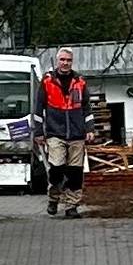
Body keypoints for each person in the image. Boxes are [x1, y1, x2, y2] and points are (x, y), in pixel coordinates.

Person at [36, 48, 91, 218]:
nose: (65, 63)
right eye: (62, 60)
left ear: (72, 62)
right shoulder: (47, 82)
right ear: (57, 60)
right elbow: (38, 108)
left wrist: (90, 129)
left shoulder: (80, 82)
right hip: (55, 133)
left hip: (76, 134)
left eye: (68, 60)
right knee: (57, 169)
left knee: (75, 173)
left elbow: (86, 108)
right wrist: (38, 132)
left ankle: (71, 206)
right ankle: (54, 198)